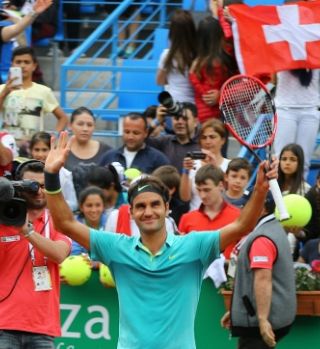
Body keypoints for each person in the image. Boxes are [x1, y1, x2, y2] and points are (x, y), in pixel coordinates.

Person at [43, 130, 278, 349]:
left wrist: (259, 191)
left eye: (155, 204)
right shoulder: (116, 247)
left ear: (167, 208)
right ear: (132, 212)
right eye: (141, 206)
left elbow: (242, 225)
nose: (148, 212)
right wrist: (51, 176)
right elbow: (66, 224)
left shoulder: (194, 246)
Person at [0, 159, 71, 348]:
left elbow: (59, 254)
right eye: (33, 186)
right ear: (18, 187)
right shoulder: (3, 219)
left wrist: (27, 231)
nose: (39, 191)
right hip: (3, 324)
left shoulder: (59, 221)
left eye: (44, 185)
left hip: (42, 327)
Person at [221, 195, 296, 349]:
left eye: (245, 206)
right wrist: (237, 311)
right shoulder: (274, 228)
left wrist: (262, 320)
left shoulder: (261, 238)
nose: (242, 210)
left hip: (258, 323)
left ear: (261, 208)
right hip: (267, 317)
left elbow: (263, 279)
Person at [0, 46, 68, 140]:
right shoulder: (1, 89)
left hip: (33, 150)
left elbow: (63, 118)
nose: (22, 65)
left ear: (34, 66)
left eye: (27, 62)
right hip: (6, 149)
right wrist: (4, 94)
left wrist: (52, 139)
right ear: (12, 64)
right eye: (18, 62)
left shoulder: (44, 91)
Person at [179, 164, 240, 258]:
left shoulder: (238, 217)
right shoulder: (187, 218)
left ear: (220, 185)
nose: (202, 195)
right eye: (199, 190)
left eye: (207, 190)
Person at [189, 15, 238, 123]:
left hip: (202, 113)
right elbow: (233, 81)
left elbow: (200, 88)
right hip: (223, 112)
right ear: (220, 35)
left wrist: (192, 74)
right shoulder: (226, 59)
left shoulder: (197, 63)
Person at [273, 69, 320, 178]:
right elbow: (272, 77)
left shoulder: (316, 52)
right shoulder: (282, 51)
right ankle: (278, 193)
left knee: (303, 161)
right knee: (281, 158)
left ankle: (299, 193)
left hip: (310, 109)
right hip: (284, 109)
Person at [180, 118, 230, 210]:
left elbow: (231, 194)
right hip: (196, 217)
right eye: (204, 137)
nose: (208, 141)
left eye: (212, 137)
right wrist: (185, 171)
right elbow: (185, 197)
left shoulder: (230, 165)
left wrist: (215, 168)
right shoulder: (192, 164)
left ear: (223, 140)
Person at [63, 106, 112, 197]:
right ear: (70, 125)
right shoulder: (62, 150)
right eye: (80, 124)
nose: (85, 129)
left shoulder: (106, 151)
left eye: (89, 125)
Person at [99, 112, 170, 173]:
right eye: (127, 132)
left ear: (146, 133)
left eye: (136, 133)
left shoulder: (159, 160)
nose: (130, 137)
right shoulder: (108, 157)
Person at [29, 131, 78, 211]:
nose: (40, 154)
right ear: (31, 151)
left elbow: (73, 204)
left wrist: (53, 203)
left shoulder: (64, 174)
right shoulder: (25, 172)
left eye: (44, 150)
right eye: (37, 150)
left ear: (52, 150)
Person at [156, 9, 196, 104]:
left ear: (172, 31)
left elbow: (160, 81)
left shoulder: (167, 55)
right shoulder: (198, 54)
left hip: (173, 104)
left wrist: (173, 80)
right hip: (194, 106)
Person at [147, 102, 200, 173]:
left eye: (185, 118)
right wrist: (157, 121)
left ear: (195, 122)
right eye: (176, 118)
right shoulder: (164, 141)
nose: (180, 122)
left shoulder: (204, 143)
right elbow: (139, 139)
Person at [71, 186, 107, 258]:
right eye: (89, 205)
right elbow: (74, 252)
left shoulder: (111, 222)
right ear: (81, 207)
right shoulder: (73, 225)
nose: (94, 210)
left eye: (98, 205)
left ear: (104, 206)